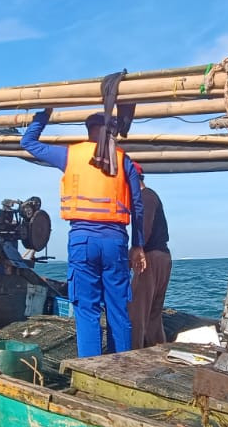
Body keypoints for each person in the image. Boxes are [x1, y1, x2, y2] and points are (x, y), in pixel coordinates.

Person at [21, 108, 146, 357]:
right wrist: (138, 245)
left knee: (86, 309)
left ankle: (89, 368)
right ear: (108, 130)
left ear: (88, 130)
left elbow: (28, 143)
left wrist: (44, 115)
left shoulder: (70, 155)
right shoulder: (124, 160)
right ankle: (119, 366)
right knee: (118, 310)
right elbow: (138, 206)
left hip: (82, 240)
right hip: (115, 241)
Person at [127, 162, 171, 349]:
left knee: (136, 312)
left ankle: (132, 354)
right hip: (163, 257)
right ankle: (158, 351)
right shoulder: (151, 196)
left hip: (150, 259)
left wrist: (133, 252)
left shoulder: (145, 198)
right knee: (153, 313)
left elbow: (143, 231)